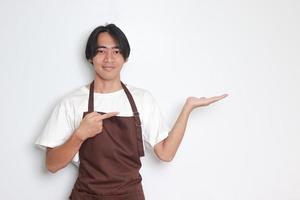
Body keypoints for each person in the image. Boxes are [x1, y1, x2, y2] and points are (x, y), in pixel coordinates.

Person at [35, 23, 228, 200]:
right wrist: (79, 135)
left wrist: (188, 109)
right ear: (90, 57)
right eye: (101, 51)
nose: (109, 58)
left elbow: (166, 153)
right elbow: (52, 165)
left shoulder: (142, 99)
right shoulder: (71, 103)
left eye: (116, 51)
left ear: (125, 57)